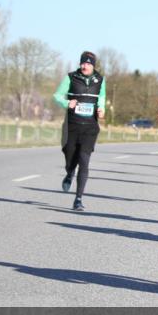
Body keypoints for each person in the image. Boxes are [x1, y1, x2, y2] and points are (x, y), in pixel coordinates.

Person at [53, 51, 106, 211]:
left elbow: (101, 98)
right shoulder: (71, 77)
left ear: (93, 65)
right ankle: (69, 173)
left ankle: (78, 199)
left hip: (90, 128)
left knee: (84, 160)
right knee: (70, 156)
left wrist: (101, 109)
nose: (85, 66)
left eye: (89, 64)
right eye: (83, 63)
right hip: (72, 126)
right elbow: (57, 96)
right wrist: (66, 103)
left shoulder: (100, 80)